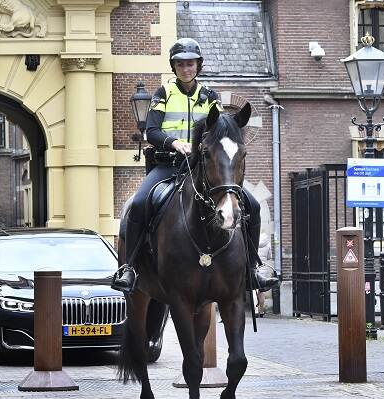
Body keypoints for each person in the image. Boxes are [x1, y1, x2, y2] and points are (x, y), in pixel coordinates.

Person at [113, 38, 279, 294]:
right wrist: (174, 143)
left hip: (202, 166)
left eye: (190, 64)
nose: (186, 69)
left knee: (253, 205)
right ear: (174, 67)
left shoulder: (209, 96)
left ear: (198, 66)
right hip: (167, 165)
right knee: (138, 203)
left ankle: (253, 266)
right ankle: (130, 268)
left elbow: (222, 130)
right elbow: (152, 132)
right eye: (180, 64)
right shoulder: (163, 93)